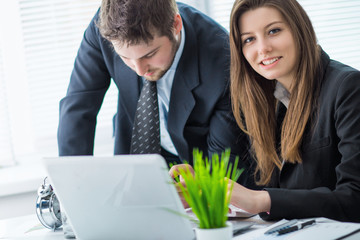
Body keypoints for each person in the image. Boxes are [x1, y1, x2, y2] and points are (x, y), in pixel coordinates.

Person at [170, 0, 360, 222]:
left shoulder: (348, 88)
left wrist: (261, 200)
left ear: (300, 28)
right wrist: (208, 190)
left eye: (274, 31)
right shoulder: (264, 100)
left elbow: (354, 198)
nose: (262, 49)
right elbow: (267, 189)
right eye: (249, 39)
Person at [58, 0, 254, 186]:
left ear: (176, 25)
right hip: (136, 153)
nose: (140, 70)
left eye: (149, 55)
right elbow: (78, 108)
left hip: (198, 166)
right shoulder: (104, 27)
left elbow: (225, 168)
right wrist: (73, 184)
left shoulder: (224, 61)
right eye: (125, 58)